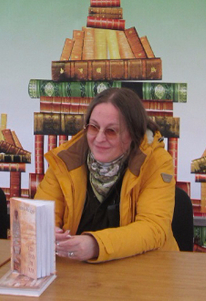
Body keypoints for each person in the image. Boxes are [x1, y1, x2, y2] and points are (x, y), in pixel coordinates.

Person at [35, 87, 177, 262]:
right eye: (93, 127)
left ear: (132, 134)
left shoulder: (156, 162)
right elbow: (40, 214)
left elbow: (153, 228)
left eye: (111, 131)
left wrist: (96, 245)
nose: (99, 138)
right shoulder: (65, 160)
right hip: (76, 270)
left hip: (143, 269)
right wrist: (47, 230)